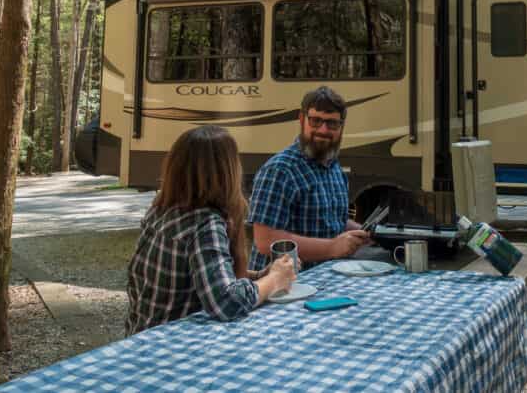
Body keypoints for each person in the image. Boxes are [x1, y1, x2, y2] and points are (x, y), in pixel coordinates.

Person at [126, 125, 296, 335]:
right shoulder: (205, 224)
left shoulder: (161, 210)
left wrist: (261, 275)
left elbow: (206, 274)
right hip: (172, 346)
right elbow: (226, 303)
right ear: (227, 172)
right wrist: (273, 280)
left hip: (140, 338)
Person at [248, 86, 370, 272]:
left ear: (341, 126)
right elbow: (265, 241)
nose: (323, 129)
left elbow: (331, 220)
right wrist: (332, 247)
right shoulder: (280, 170)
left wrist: (366, 232)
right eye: (315, 121)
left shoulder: (334, 167)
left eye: (332, 123)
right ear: (301, 119)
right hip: (284, 289)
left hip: (324, 282)